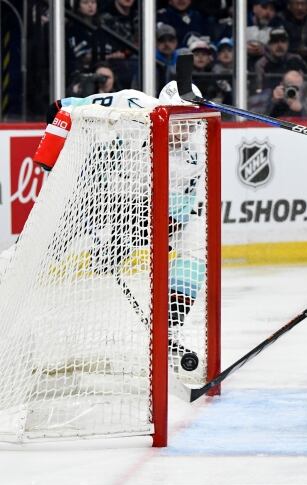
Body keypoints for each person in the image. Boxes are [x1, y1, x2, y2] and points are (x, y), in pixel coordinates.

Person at [24, 81, 208, 374]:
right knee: (39, 248)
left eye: (190, 123)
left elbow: (175, 214)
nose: (185, 131)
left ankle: (168, 329)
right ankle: (14, 305)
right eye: (178, 121)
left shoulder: (197, 150)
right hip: (101, 193)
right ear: (161, 110)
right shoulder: (131, 104)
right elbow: (61, 108)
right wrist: (51, 155)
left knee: (197, 245)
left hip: (152, 210)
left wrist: (125, 241)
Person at [279, 0, 307, 69]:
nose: (300, 8)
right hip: (286, 62)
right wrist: (297, 50)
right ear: (289, 6)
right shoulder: (280, 21)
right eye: (296, 4)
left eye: (303, 4)